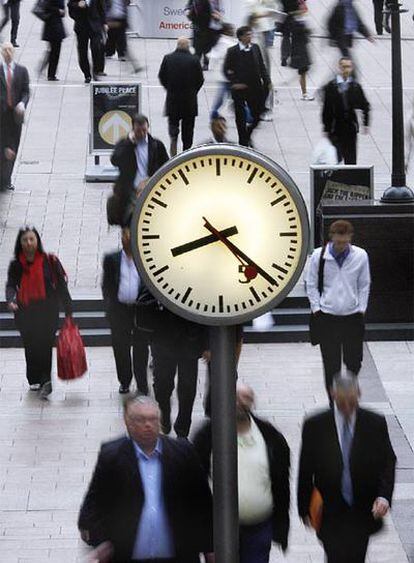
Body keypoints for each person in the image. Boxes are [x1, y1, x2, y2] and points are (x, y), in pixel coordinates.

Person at [78, 395, 214, 562]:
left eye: (153, 419)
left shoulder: (183, 453)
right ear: (128, 423)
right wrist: (104, 541)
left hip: (178, 555)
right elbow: (93, 505)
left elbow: (203, 504)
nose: (148, 425)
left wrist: (209, 548)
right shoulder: (111, 456)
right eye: (141, 420)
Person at [297, 374, 396, 563]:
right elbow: (305, 468)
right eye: (342, 401)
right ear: (332, 394)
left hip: (362, 508)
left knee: (357, 557)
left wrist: (383, 496)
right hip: (329, 509)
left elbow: (387, 461)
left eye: (351, 400)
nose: (347, 407)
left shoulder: (374, 423)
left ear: (358, 394)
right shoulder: (315, 425)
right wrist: (304, 509)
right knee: (335, 556)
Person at [193, 383, 290, 561]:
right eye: (235, 397)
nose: (239, 402)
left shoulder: (270, 435)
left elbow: (282, 482)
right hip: (219, 530)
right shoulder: (206, 436)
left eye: (245, 398)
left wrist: (281, 526)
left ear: (252, 403)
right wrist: (205, 539)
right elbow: (194, 486)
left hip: (258, 528)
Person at [306, 220, 371, 400]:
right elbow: (310, 284)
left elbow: (364, 283)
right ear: (331, 238)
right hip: (328, 317)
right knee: (331, 364)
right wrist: (316, 308)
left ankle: (349, 397)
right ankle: (332, 402)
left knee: (354, 362)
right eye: (338, 242)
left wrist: (362, 308)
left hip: (352, 316)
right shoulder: (319, 256)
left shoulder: (360, 255)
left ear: (350, 237)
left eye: (344, 242)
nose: (341, 246)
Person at [5, 227, 72, 399]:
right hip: (25, 312)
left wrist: (68, 309)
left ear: (37, 241)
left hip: (47, 311)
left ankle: (45, 380)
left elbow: (61, 286)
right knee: (31, 345)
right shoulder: (16, 265)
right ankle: (34, 377)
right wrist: (11, 299)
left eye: (31, 239)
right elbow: (11, 284)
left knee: (45, 345)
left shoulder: (49, 261)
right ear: (20, 243)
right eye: (25, 240)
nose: (28, 243)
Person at [102, 227, 152, 395]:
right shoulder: (112, 260)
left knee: (141, 348)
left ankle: (142, 384)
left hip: (140, 311)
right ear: (122, 237)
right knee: (121, 348)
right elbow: (107, 286)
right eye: (125, 234)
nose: (129, 238)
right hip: (119, 311)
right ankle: (124, 380)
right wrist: (109, 306)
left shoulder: (145, 259)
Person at [151, 305, 208, 438]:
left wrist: (206, 344)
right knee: (162, 384)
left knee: (188, 386)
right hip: (162, 337)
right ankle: (164, 411)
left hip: (190, 338)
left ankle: (183, 429)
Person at [110, 114, 169, 226]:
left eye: (144, 130)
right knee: (130, 220)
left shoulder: (156, 145)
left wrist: (150, 180)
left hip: (150, 188)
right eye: (138, 131)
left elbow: (166, 165)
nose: (141, 134)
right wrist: (129, 144)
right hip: (130, 189)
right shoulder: (125, 144)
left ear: (148, 128)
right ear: (133, 129)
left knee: (148, 220)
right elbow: (114, 160)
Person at [223, 25, 270, 147]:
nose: (250, 36)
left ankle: (247, 134)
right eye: (247, 34)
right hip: (239, 89)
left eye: (251, 34)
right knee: (240, 116)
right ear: (241, 37)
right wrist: (234, 83)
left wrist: (267, 81)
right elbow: (226, 69)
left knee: (258, 114)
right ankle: (242, 141)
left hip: (255, 87)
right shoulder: (232, 51)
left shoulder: (255, 48)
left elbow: (261, 65)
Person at [158, 37, 204, 156]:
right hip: (190, 101)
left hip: (173, 99)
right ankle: (186, 151)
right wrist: (193, 91)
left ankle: (174, 142)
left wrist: (169, 88)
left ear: (177, 45)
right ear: (188, 46)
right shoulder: (194, 60)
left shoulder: (168, 58)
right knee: (188, 129)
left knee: (173, 124)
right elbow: (200, 79)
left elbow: (162, 76)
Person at [321, 57, 370, 164]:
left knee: (351, 158)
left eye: (348, 67)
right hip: (335, 128)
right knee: (335, 158)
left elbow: (365, 105)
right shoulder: (331, 86)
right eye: (343, 67)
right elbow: (327, 108)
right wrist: (326, 128)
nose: (346, 70)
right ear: (339, 68)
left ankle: (350, 179)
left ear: (351, 68)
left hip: (350, 128)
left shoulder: (355, 87)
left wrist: (365, 123)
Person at [0, 42, 30, 192]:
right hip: (1, 116)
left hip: (15, 117)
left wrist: (22, 104)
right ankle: (2, 178)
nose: (8, 53)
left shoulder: (22, 71)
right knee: (2, 146)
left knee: (13, 147)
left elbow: (26, 91)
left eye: (10, 50)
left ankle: (7, 178)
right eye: (5, 50)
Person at [67, 0, 106, 83]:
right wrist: (78, 5)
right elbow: (70, 6)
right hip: (81, 27)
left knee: (96, 48)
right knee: (82, 52)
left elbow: (101, 8)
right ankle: (87, 74)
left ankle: (95, 71)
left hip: (95, 26)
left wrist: (104, 23)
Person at [185, 0, 222, 70]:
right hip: (197, 26)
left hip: (209, 27)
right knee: (197, 47)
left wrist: (217, 15)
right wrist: (187, 11)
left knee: (207, 48)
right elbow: (187, 7)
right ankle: (196, 64)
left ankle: (205, 63)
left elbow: (218, 11)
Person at [289, 9, 314, 101]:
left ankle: (305, 93)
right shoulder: (296, 23)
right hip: (300, 52)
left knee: (303, 73)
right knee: (303, 73)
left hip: (302, 50)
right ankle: (304, 94)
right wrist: (306, 30)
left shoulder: (298, 22)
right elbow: (302, 34)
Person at [39, 0, 67, 81]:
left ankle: (50, 72)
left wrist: (62, 11)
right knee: (55, 51)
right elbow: (46, 6)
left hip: (56, 24)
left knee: (54, 50)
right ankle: (51, 74)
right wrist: (58, 11)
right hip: (52, 25)